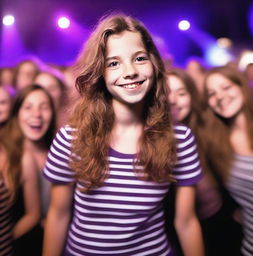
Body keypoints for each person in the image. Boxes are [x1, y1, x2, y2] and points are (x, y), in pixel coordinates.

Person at [43, 13, 204, 256]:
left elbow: (186, 222)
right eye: (113, 63)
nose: (130, 71)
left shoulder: (180, 139)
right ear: (99, 73)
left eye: (139, 58)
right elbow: (58, 215)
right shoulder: (70, 138)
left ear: (153, 63)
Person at [166, 67, 243, 256]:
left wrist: (237, 209)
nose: (173, 100)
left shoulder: (204, 131)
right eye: (166, 93)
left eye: (182, 93)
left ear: (192, 97)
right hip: (181, 233)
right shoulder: (149, 145)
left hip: (222, 220)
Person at [204, 66, 253, 256]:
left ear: (241, 86)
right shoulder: (218, 145)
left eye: (226, 87)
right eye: (211, 93)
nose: (219, 96)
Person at [0, 84, 56, 256]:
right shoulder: (6, 154)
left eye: (44, 107)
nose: (36, 114)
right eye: (28, 107)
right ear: (16, 113)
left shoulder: (59, 154)